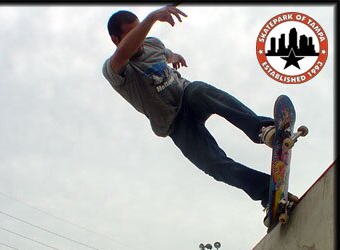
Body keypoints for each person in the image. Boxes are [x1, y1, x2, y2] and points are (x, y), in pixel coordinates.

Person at [102, 5, 296, 217]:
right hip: (175, 124)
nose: (140, 40)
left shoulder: (152, 44)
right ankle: (266, 191)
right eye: (133, 35)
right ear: (116, 40)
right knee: (215, 165)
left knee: (200, 90)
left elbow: (165, 54)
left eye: (140, 31)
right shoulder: (115, 68)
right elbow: (123, 53)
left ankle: (262, 130)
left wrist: (175, 56)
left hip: (188, 96)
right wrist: (152, 18)